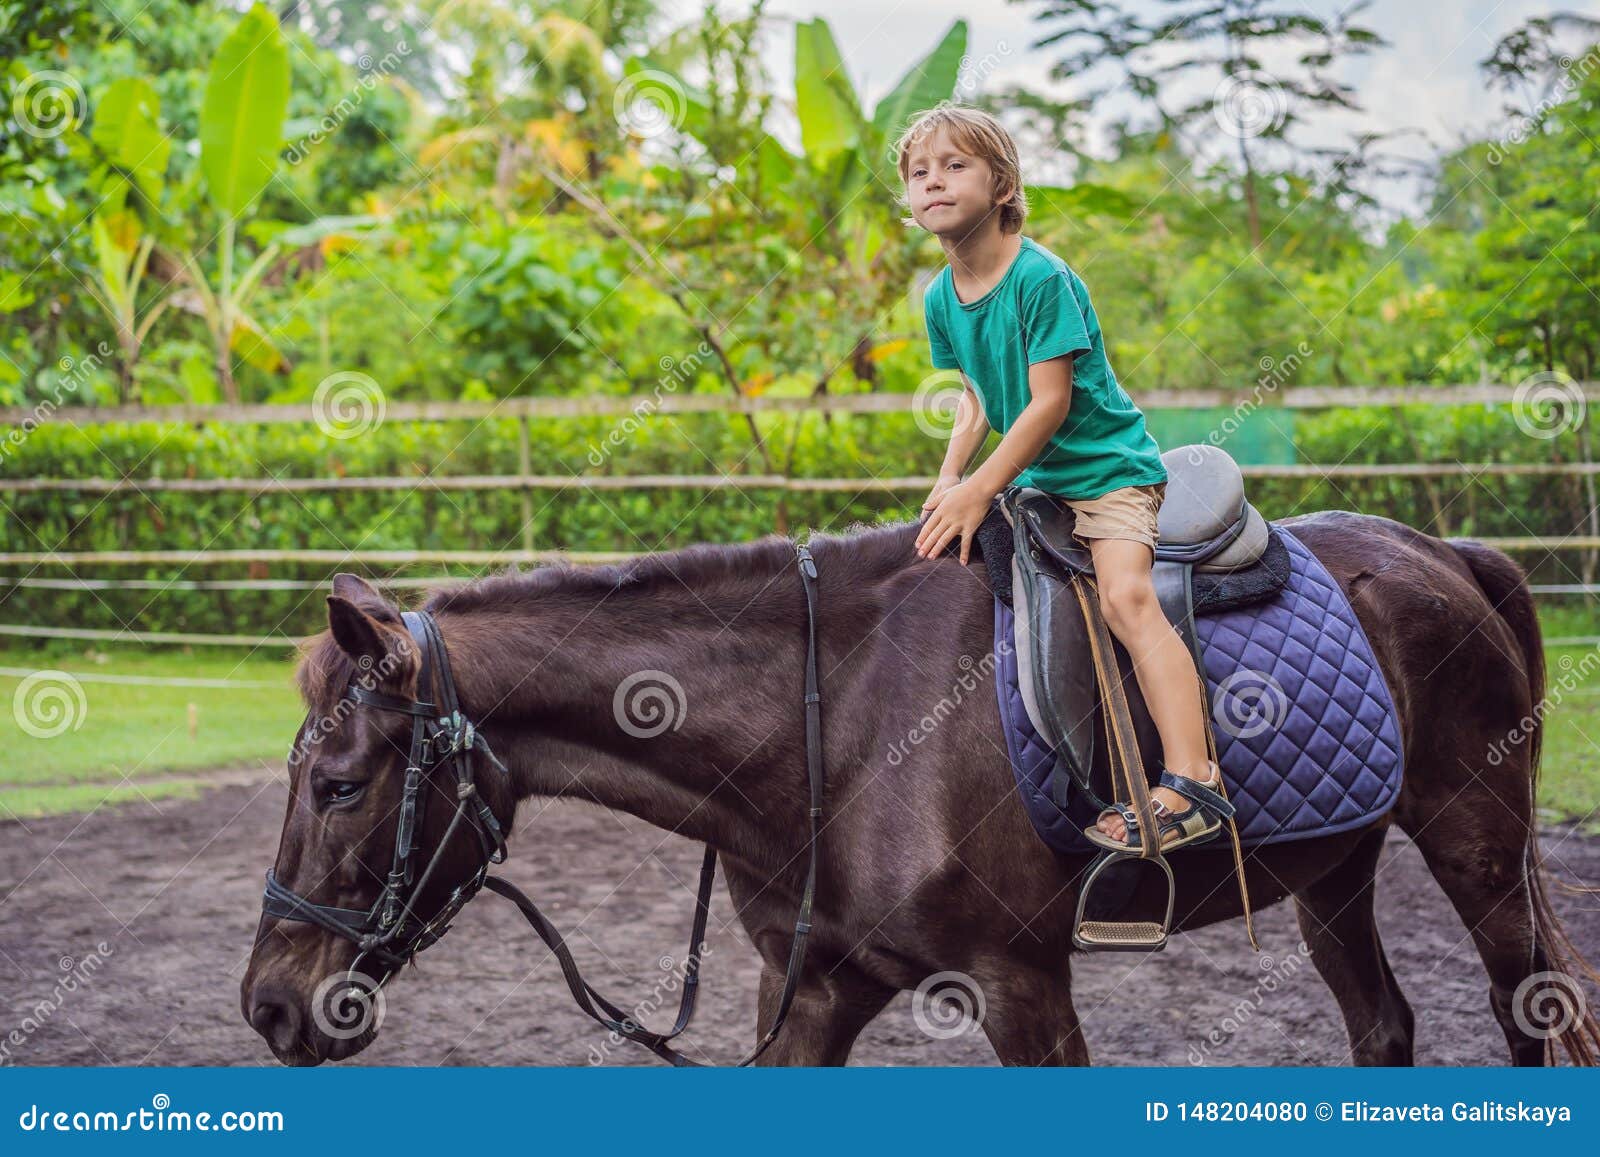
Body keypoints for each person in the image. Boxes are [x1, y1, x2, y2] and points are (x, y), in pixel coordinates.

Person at [903, 105, 1228, 853]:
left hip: (1105, 472)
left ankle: (1194, 780)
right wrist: (950, 474)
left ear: (1002, 181)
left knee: (1126, 596)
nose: (934, 182)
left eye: (955, 166)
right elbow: (981, 392)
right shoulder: (940, 296)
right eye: (920, 173)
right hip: (1034, 482)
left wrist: (981, 487)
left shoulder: (1042, 279)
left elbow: (1047, 402)